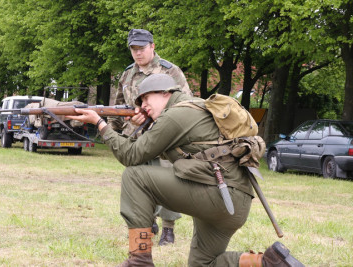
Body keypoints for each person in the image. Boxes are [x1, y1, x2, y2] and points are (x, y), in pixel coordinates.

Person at [67, 74, 304, 267]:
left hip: (218, 195)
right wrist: (145, 124)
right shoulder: (194, 108)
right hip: (234, 201)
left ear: (165, 93)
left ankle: (139, 260)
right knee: (204, 264)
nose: (143, 106)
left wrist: (100, 124)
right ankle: (268, 262)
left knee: (135, 177)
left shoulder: (177, 115)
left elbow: (132, 156)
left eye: (146, 98)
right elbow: (144, 148)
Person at [108, 28, 192, 245]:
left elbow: (186, 104)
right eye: (133, 49)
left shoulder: (170, 72)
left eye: (141, 48)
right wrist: (113, 132)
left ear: (152, 46)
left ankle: (169, 230)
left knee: (168, 182)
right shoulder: (127, 74)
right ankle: (147, 223)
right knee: (138, 179)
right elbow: (119, 105)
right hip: (136, 137)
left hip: (165, 136)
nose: (137, 53)